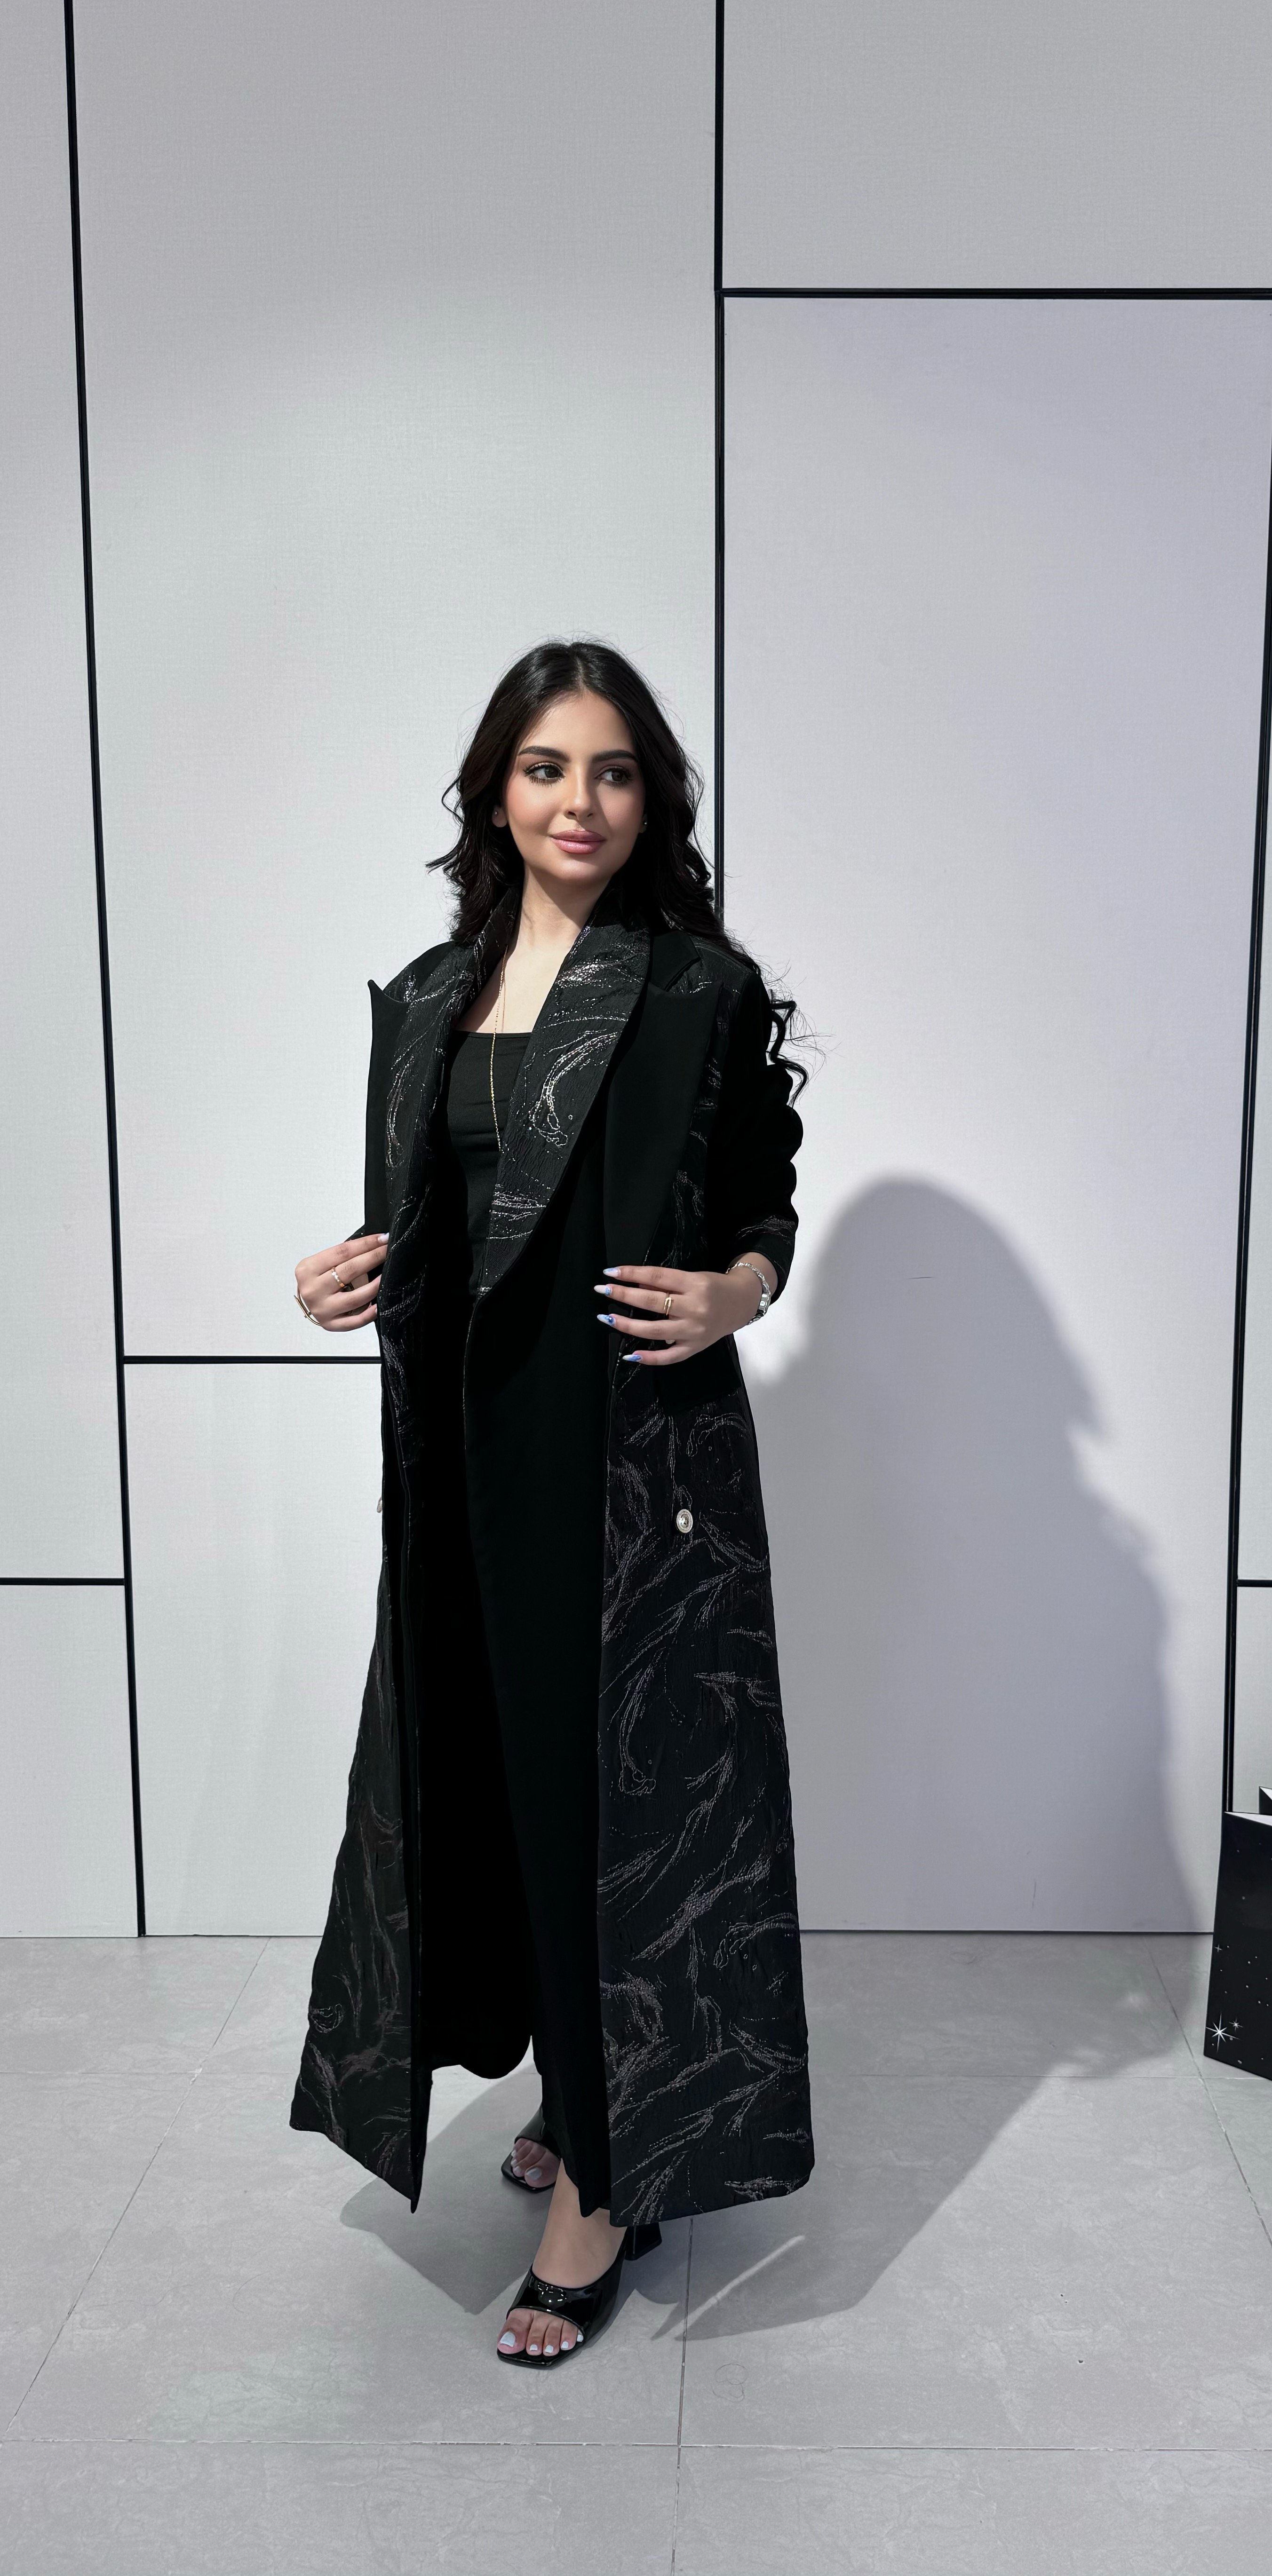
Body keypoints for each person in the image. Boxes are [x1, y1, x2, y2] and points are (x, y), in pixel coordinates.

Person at [289, 640, 813, 2365]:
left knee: (614, 1800)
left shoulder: (694, 991)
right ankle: (594, 2093)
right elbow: (443, 1217)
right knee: (502, 1787)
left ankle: (602, 2178)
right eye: (543, 768)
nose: (577, 801)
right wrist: (349, 1270)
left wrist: (738, 1289)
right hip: (462, 1457)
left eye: (611, 770)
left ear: (650, 797)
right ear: (494, 792)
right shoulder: (431, 995)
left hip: (626, 1459)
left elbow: (764, 1199)